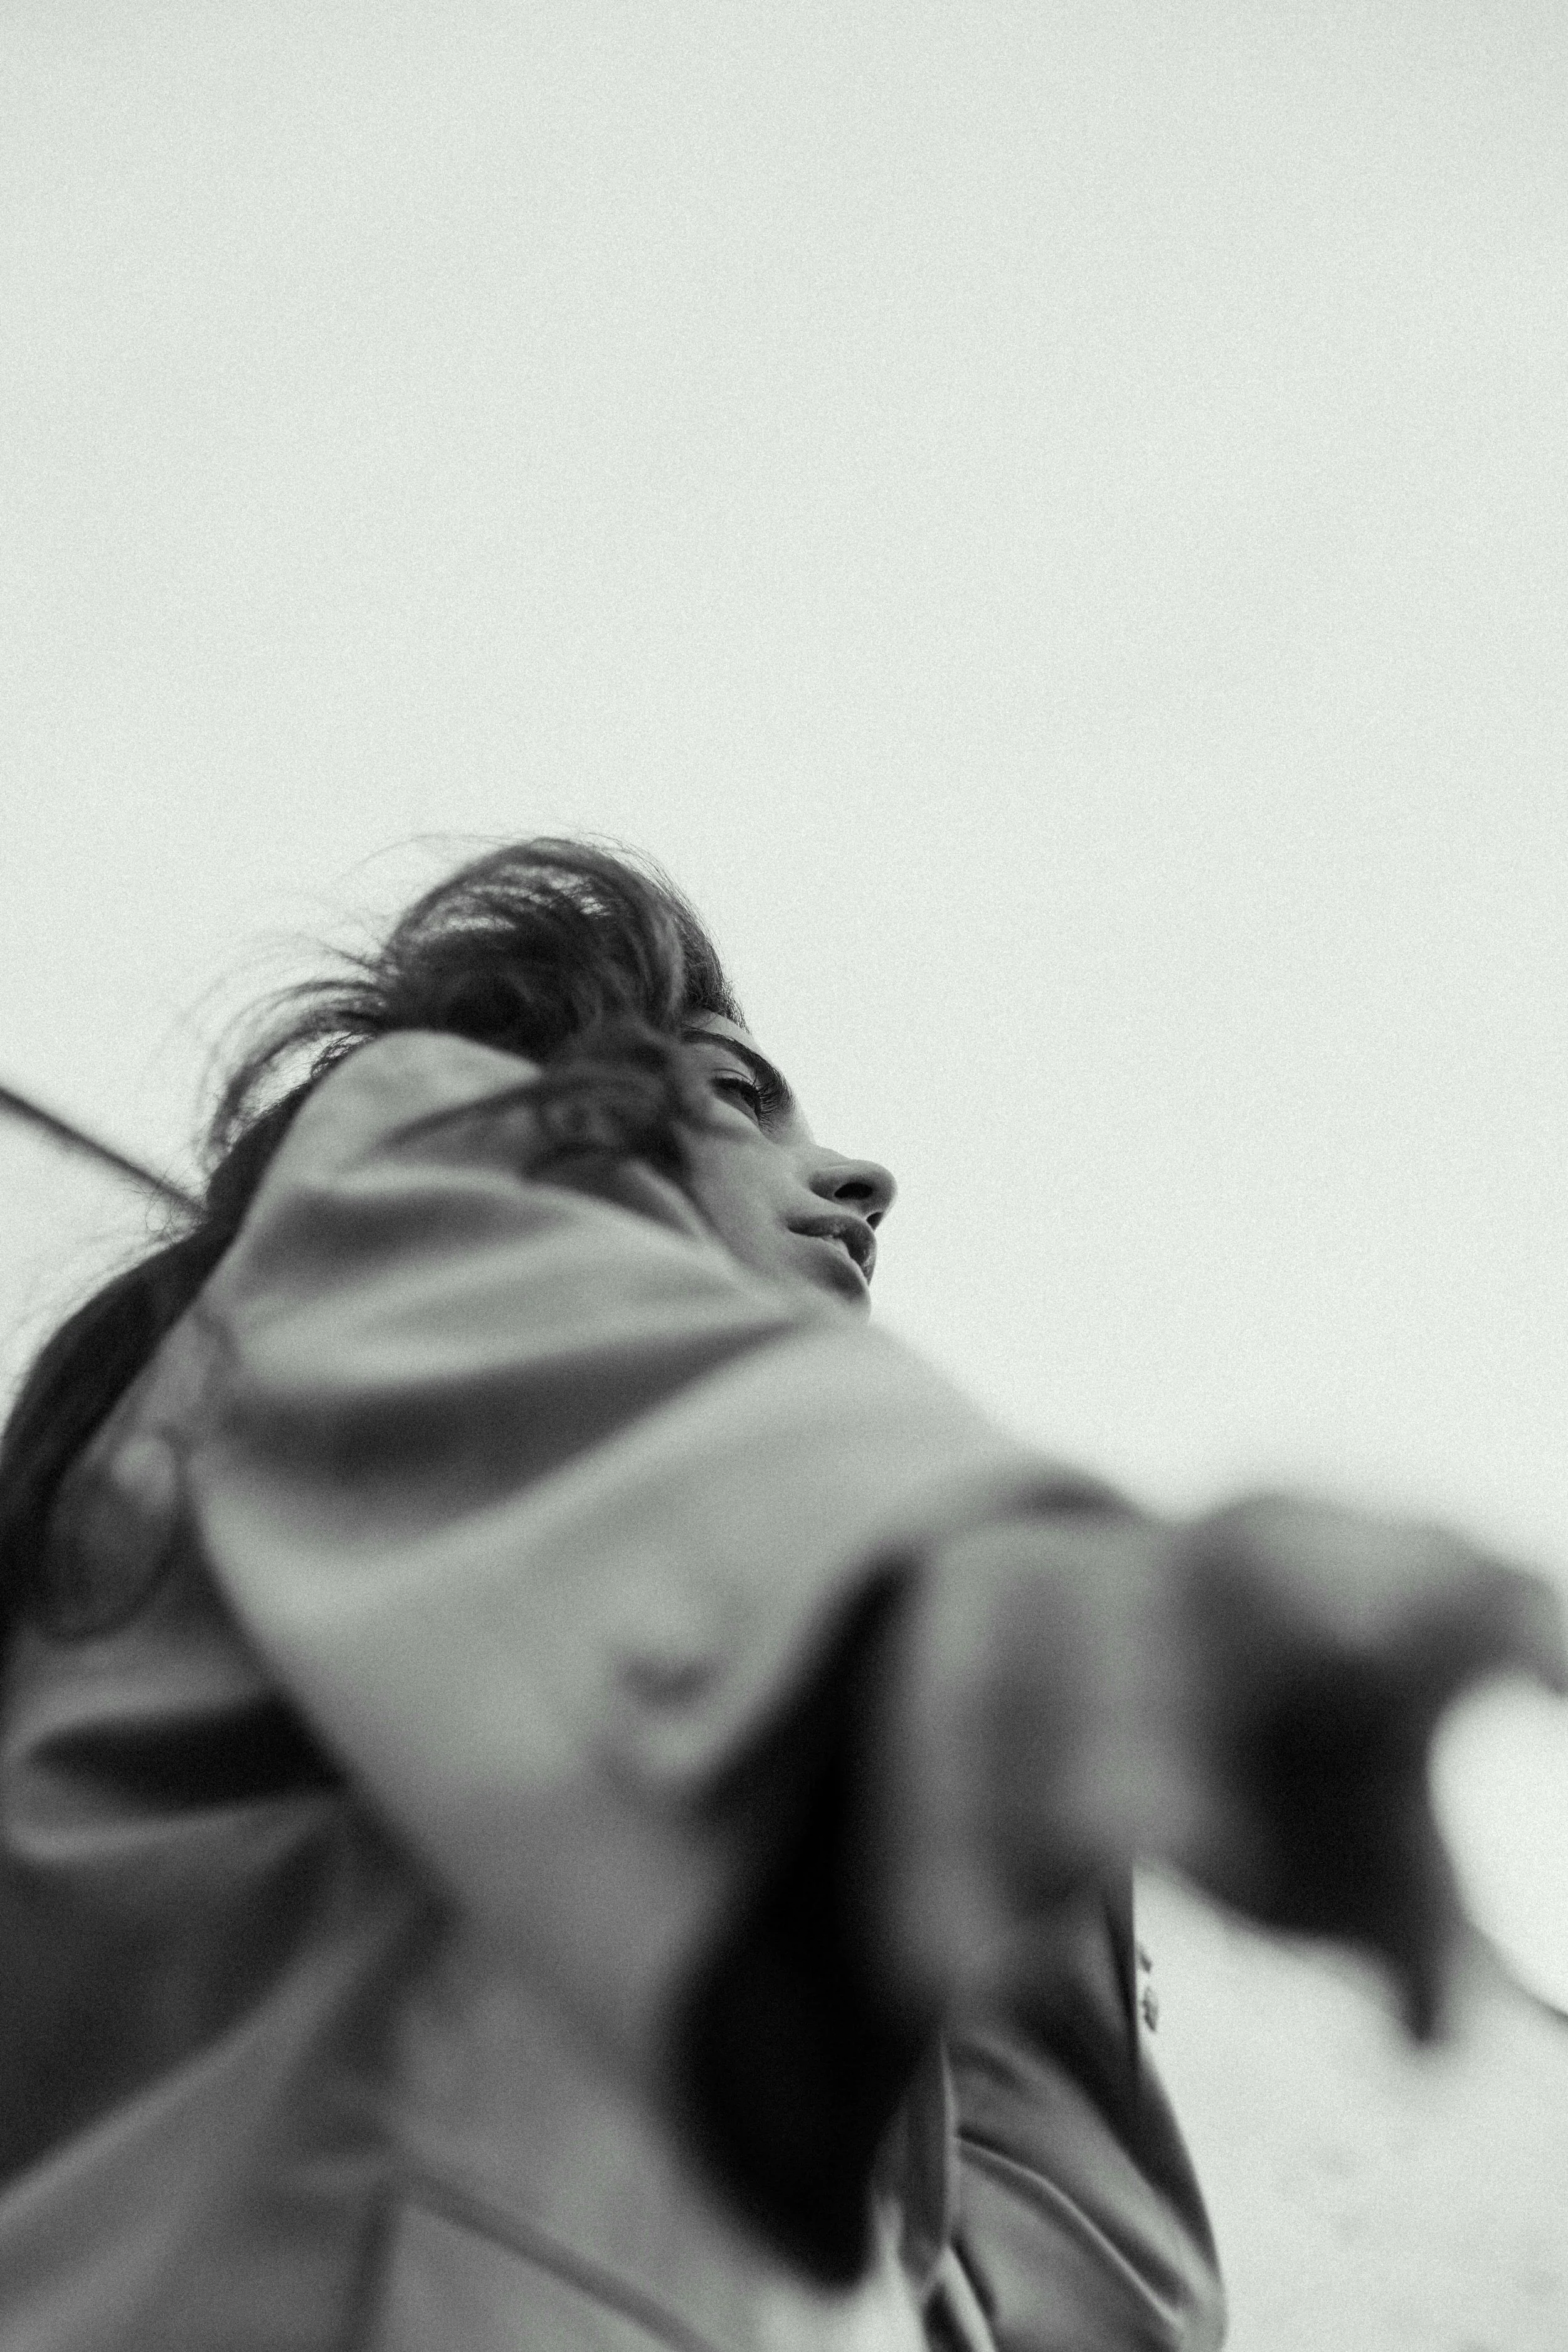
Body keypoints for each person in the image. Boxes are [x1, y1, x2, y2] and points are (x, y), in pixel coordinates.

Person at [0, 839, 1559, 2352]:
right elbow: (660, 1446)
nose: (867, 1177)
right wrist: (1112, 1657)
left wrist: (1041, 1859)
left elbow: (1076, 2309)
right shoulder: (430, 1159)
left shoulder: (763, 1856)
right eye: (740, 1094)